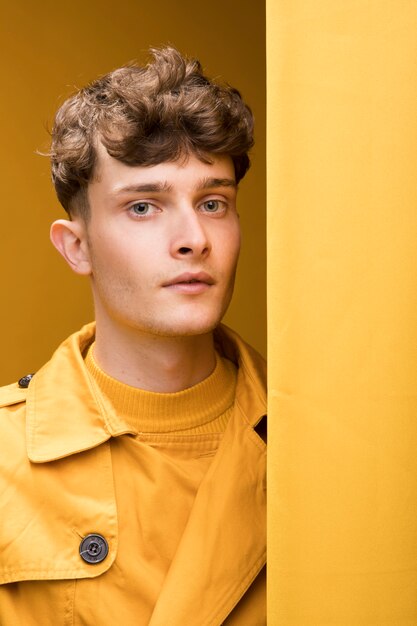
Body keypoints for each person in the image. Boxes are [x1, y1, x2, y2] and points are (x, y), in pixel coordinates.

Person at [0, 47, 266, 625]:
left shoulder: (327, 442)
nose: (194, 237)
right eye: (144, 206)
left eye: (214, 202)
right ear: (77, 246)